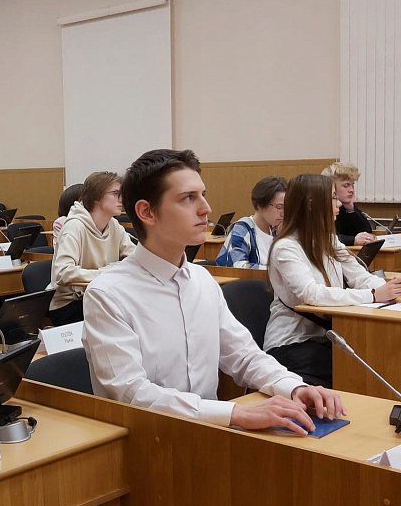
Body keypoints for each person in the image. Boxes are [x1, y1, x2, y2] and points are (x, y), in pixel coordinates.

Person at [82, 149, 345, 437]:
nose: (206, 208)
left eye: (203, 195)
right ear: (147, 212)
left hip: (211, 434)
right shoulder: (108, 294)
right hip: (150, 440)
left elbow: (244, 355)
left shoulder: (202, 280)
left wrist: (294, 386)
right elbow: (132, 393)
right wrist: (235, 413)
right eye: (188, 198)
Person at [264, 174, 401, 387]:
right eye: (334, 198)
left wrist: (391, 289)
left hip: (327, 337)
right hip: (291, 343)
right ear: (312, 204)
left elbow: (359, 276)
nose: (339, 205)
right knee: (361, 371)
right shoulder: (286, 247)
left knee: (378, 357)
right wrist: (374, 295)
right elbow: (311, 294)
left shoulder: (329, 240)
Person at [48, 171, 136, 326]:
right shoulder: (75, 226)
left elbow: (135, 258)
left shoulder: (114, 225)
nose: (121, 199)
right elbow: (62, 273)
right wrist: (106, 273)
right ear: (96, 197)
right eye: (115, 194)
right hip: (71, 304)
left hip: (102, 296)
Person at [215, 176, 287, 268]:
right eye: (279, 207)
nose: (283, 213)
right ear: (260, 204)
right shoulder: (243, 228)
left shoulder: (276, 229)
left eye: (286, 207)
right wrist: (277, 271)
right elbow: (238, 266)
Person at [321, 162, 376, 246]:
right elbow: (324, 238)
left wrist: (351, 209)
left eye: (352, 185)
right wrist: (353, 240)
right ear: (330, 187)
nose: (351, 190)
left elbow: (367, 232)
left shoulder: (345, 206)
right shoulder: (322, 209)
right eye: (346, 185)